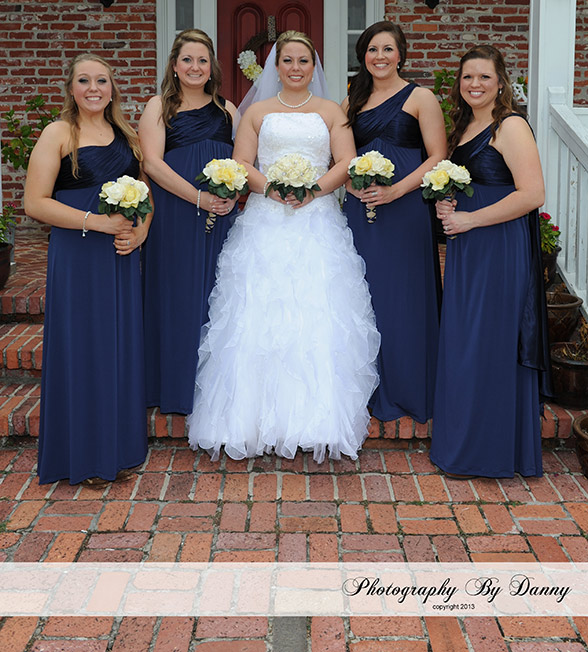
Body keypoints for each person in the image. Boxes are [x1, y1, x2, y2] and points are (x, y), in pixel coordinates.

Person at [186, 30, 380, 463]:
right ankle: (248, 420)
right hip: (266, 217)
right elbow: (242, 162)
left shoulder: (331, 111)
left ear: (314, 67)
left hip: (317, 219)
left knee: (317, 309)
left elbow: (346, 161)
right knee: (258, 310)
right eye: (288, 60)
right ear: (276, 66)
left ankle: (318, 421)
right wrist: (271, 188)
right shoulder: (257, 112)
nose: (295, 68)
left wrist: (314, 190)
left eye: (303, 61)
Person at [24, 54, 150, 485]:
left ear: (112, 89)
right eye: (84, 80)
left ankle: (118, 450)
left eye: (101, 80)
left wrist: (140, 233)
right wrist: (96, 222)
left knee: (118, 347)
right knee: (84, 348)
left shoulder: (127, 135)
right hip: (77, 256)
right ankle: (85, 457)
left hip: (119, 257)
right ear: (71, 89)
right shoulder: (59, 133)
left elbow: (145, 195)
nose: (93, 88)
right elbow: (34, 202)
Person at [430, 45, 550, 479]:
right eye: (467, 77)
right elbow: (468, 184)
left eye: (484, 76)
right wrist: (447, 204)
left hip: (498, 245)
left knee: (491, 341)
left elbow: (533, 194)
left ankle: (492, 452)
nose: (474, 84)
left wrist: (470, 218)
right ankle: (464, 446)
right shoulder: (464, 126)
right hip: (468, 247)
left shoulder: (510, 126)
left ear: (501, 82)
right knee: (466, 341)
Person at [343, 21, 446, 424]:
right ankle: (368, 390)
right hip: (363, 209)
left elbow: (437, 156)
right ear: (363, 56)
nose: (380, 56)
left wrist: (396, 191)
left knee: (405, 295)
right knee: (364, 294)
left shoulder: (421, 97)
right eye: (372, 49)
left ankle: (408, 387)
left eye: (387, 49)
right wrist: (352, 187)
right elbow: (341, 157)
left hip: (405, 208)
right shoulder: (352, 100)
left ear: (401, 54)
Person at [139, 29, 237, 415]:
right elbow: (152, 164)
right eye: (187, 60)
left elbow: (243, 163)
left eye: (202, 60)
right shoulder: (159, 106)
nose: (195, 67)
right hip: (176, 214)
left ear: (212, 67)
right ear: (175, 66)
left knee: (218, 295)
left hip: (221, 217)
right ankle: (172, 386)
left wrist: (231, 196)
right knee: (176, 293)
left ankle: (211, 390)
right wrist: (198, 198)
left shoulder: (228, 110)